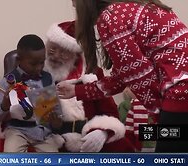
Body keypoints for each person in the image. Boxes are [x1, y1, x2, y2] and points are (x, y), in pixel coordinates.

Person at [56, 0, 188, 152]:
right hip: (180, 91)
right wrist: (77, 91)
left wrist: (160, 115)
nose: (73, 5)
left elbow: (140, 75)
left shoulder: (111, 16)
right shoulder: (139, 6)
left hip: (179, 94)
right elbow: (127, 74)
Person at [45, 20, 134, 152]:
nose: (56, 56)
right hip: (54, 137)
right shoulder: (38, 74)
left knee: (122, 147)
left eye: (64, 52)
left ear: (76, 55)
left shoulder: (92, 72)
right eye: (52, 50)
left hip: (87, 135)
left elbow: (110, 113)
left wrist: (102, 132)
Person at [0, 34, 60, 152]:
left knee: (54, 162)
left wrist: (55, 118)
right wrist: (5, 105)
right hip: (17, 130)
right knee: (12, 158)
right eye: (33, 64)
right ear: (18, 60)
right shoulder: (9, 80)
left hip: (43, 131)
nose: (38, 68)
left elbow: (56, 113)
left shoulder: (48, 79)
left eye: (42, 63)